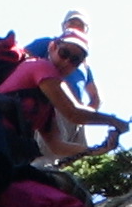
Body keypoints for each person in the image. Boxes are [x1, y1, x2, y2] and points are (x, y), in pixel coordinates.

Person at [0, 30, 128, 163]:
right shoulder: (40, 66)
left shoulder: (46, 106)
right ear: (53, 47)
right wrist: (113, 121)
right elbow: (73, 113)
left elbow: (57, 146)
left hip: (4, 147)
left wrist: (96, 150)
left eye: (75, 60)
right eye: (64, 53)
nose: (66, 62)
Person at [23, 10, 103, 147]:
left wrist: (83, 115)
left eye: (81, 25)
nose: (76, 26)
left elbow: (96, 98)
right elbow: (23, 61)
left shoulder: (84, 64)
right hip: (48, 105)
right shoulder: (49, 44)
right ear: (63, 26)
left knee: (78, 155)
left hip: (73, 115)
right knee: (44, 155)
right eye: (72, 22)